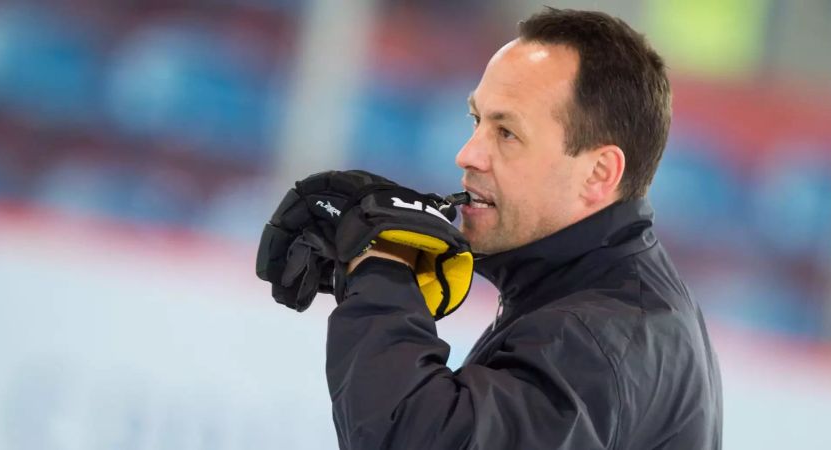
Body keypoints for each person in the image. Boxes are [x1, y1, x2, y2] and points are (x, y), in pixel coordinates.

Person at [258, 7, 722, 449]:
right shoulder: (601, 301)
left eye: (506, 133)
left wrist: (384, 267)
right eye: (476, 120)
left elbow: (422, 439)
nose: (468, 154)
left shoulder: (597, 336)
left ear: (599, 173)